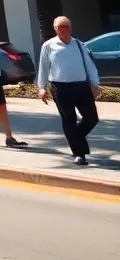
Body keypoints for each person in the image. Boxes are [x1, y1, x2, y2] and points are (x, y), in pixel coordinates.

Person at [37, 16, 102, 165]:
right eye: (61, 27)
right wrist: (41, 87)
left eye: (67, 26)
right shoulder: (49, 45)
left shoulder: (78, 44)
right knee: (69, 120)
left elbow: (89, 65)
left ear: (71, 28)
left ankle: (76, 138)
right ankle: (79, 154)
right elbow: (43, 67)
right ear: (55, 29)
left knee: (92, 118)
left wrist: (95, 83)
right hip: (60, 88)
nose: (64, 29)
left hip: (81, 86)